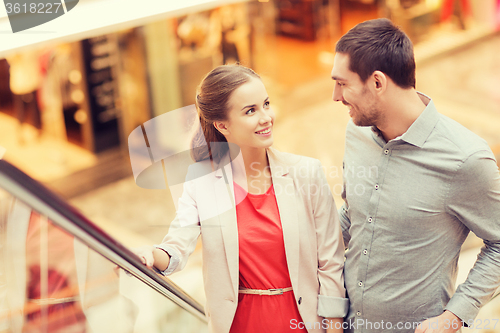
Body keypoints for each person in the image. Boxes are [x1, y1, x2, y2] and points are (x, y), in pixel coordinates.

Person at [134, 65, 348, 333]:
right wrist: (150, 255)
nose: (266, 117)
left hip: (302, 322)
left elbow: (331, 263)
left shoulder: (307, 173)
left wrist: (335, 329)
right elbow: (176, 248)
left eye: (266, 104)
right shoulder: (201, 182)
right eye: (251, 110)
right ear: (222, 125)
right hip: (240, 325)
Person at [331, 18, 500, 333]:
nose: (335, 96)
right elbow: (352, 214)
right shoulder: (356, 135)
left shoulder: (466, 159)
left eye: (342, 83)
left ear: (378, 83)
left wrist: (453, 318)